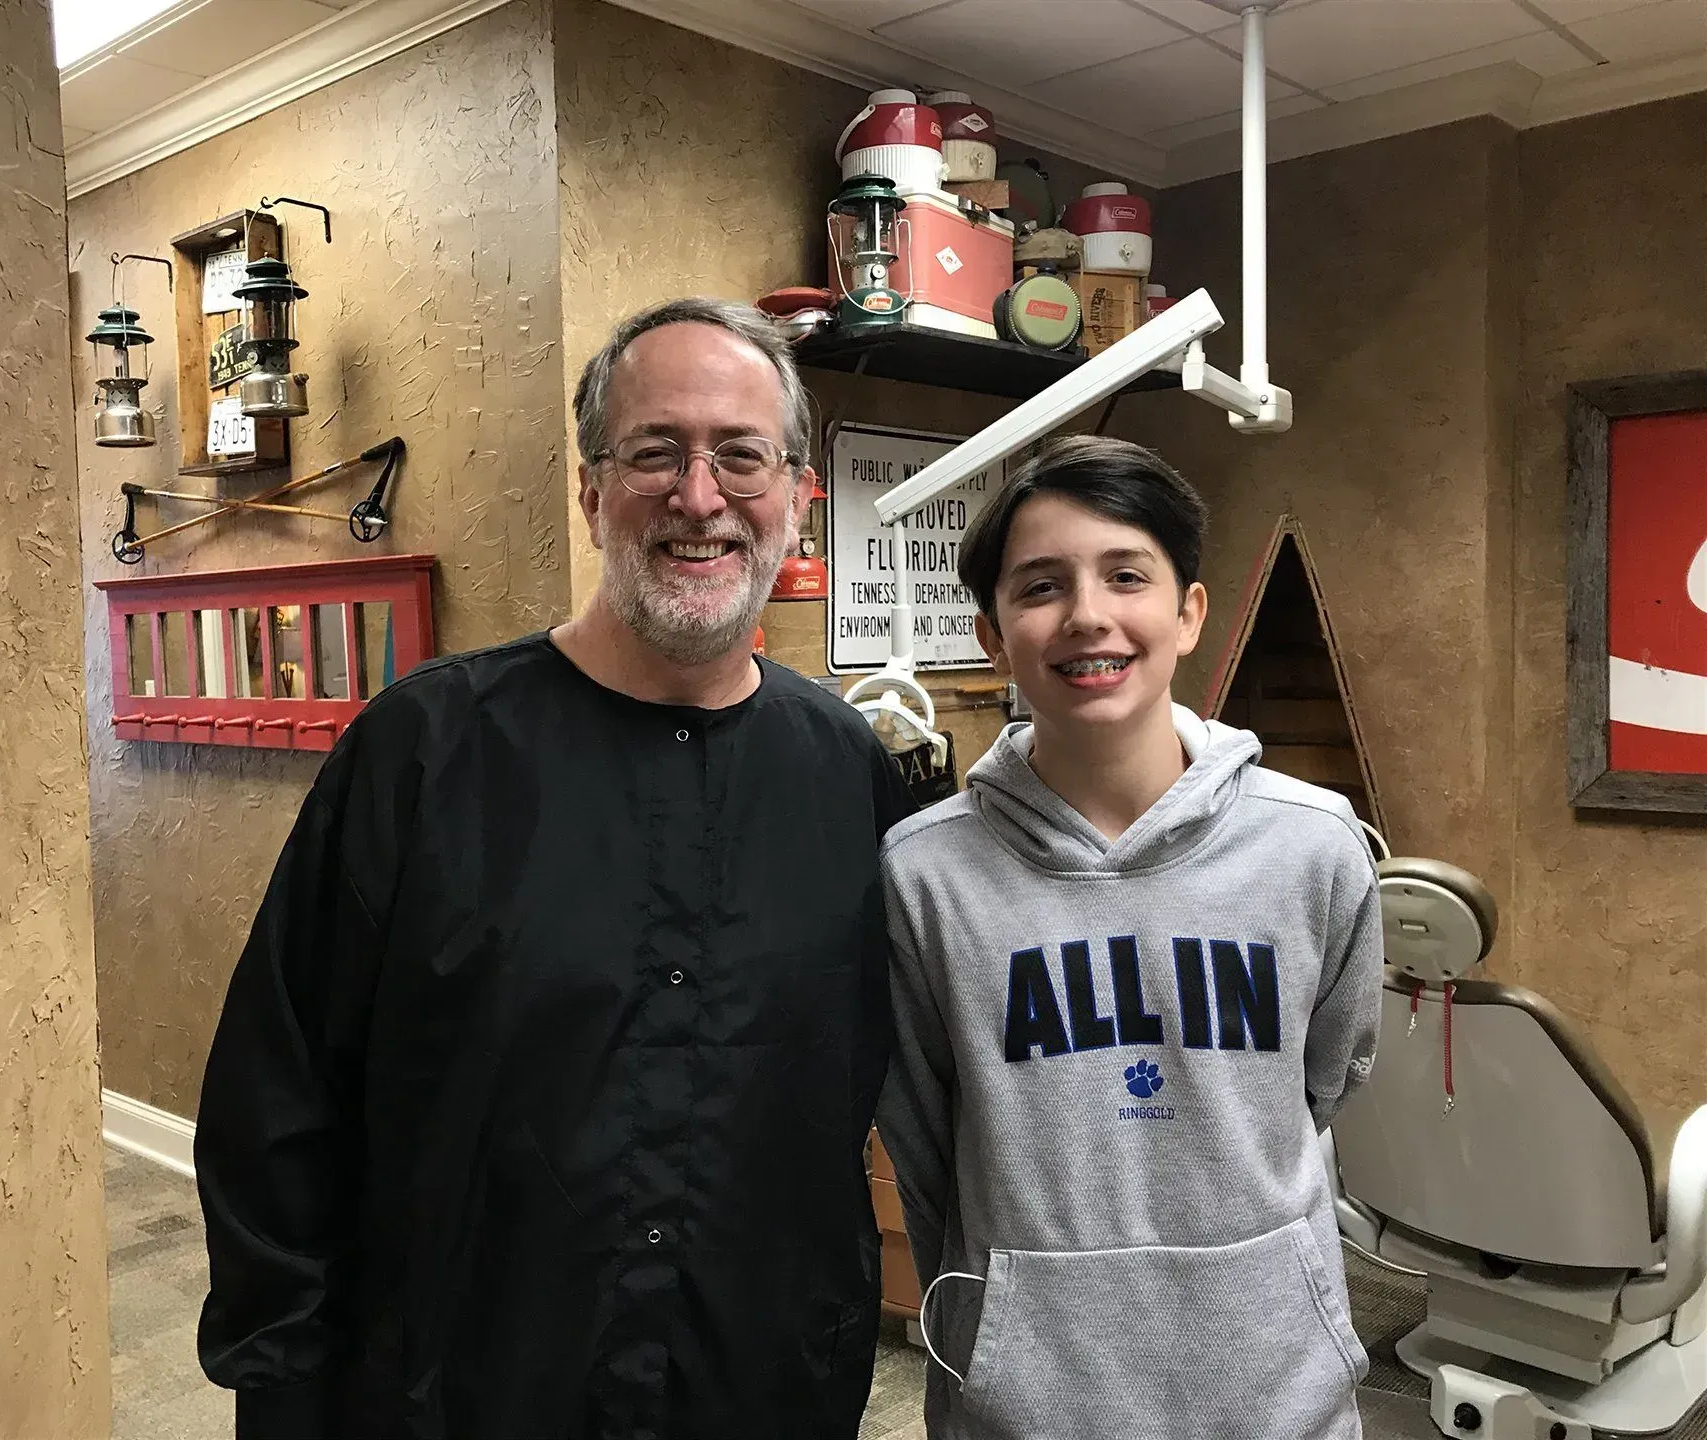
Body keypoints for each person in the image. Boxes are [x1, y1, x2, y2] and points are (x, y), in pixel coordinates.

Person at [194, 297, 918, 1440]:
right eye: (653, 454)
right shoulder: (422, 754)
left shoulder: (851, 778)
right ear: (590, 492)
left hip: (755, 1389)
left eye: (741, 456)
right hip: (458, 1395)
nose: (698, 496)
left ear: (796, 500)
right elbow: (274, 1102)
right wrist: (283, 1385)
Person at [876, 435, 1383, 1440]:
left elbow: (1324, 1083)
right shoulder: (925, 876)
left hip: (1277, 1389)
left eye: (1125, 575)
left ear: (1187, 612)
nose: (1089, 616)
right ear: (993, 634)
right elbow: (927, 1140)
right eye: (1041, 586)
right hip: (1024, 1404)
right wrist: (997, 1327)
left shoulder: (1314, 848)